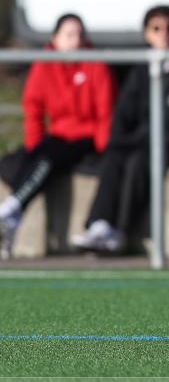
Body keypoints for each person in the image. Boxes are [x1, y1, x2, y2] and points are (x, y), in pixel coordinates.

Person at [72, 6, 169, 253]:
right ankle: (99, 224)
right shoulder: (142, 69)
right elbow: (125, 114)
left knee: (140, 161)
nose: (164, 35)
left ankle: (120, 230)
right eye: (156, 29)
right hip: (145, 140)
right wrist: (121, 140)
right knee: (115, 156)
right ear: (146, 34)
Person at [0, 14, 117, 259]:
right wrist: (34, 146)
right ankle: (12, 216)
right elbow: (33, 107)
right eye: (69, 35)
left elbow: (106, 111)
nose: (76, 41)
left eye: (80, 35)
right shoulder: (45, 65)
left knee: (48, 156)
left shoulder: (95, 64)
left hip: (88, 138)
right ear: (55, 39)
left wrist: (104, 146)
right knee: (26, 159)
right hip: (58, 138)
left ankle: (12, 209)